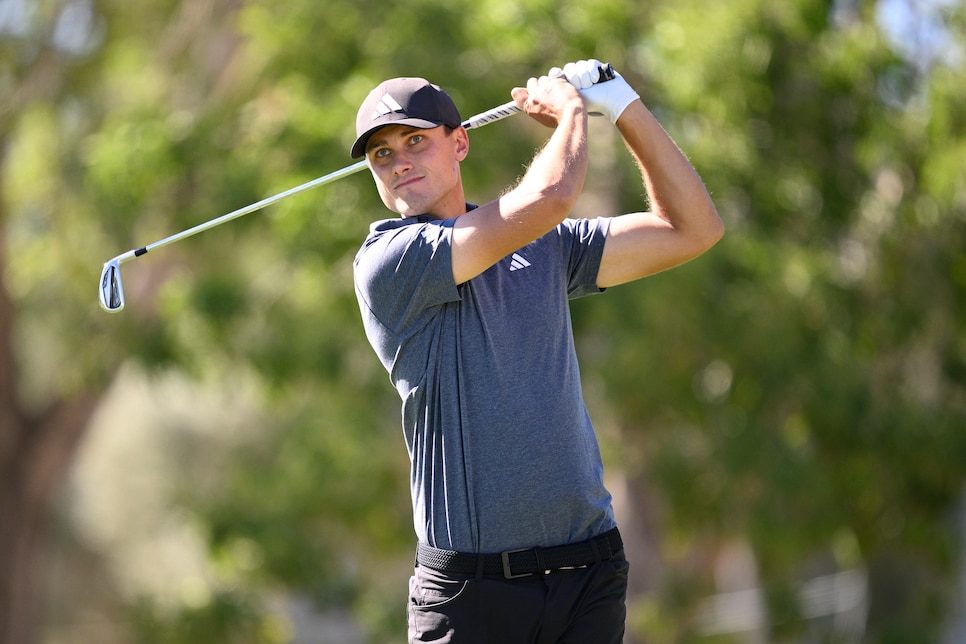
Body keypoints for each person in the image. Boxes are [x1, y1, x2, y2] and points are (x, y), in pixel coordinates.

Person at [350, 59, 723, 643]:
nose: (399, 163)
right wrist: (574, 111)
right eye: (382, 155)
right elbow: (548, 197)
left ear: (460, 143)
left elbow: (693, 228)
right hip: (473, 595)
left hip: (588, 571)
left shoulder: (544, 249)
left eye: (415, 141)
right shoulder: (389, 261)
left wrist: (622, 105)